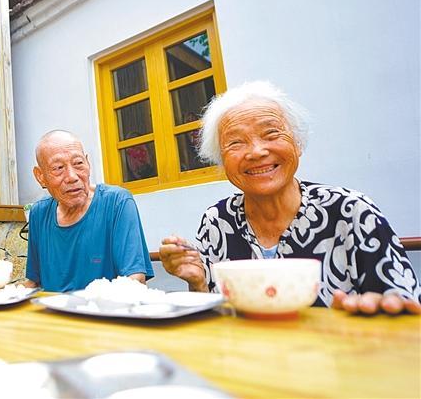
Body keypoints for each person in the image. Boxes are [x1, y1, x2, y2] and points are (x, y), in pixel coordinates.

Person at [159, 81, 421, 315]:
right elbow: (215, 320)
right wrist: (198, 283)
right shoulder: (217, 221)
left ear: (298, 144)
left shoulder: (351, 211)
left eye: (271, 134)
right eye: (236, 142)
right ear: (222, 160)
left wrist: (383, 313)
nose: (256, 151)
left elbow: (404, 306)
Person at [24, 130, 153, 292]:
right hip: (53, 308)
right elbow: (33, 283)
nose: (72, 177)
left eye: (78, 163)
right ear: (40, 176)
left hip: (104, 307)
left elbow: (135, 280)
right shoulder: (39, 213)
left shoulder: (117, 202)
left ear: (88, 164)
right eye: (58, 168)